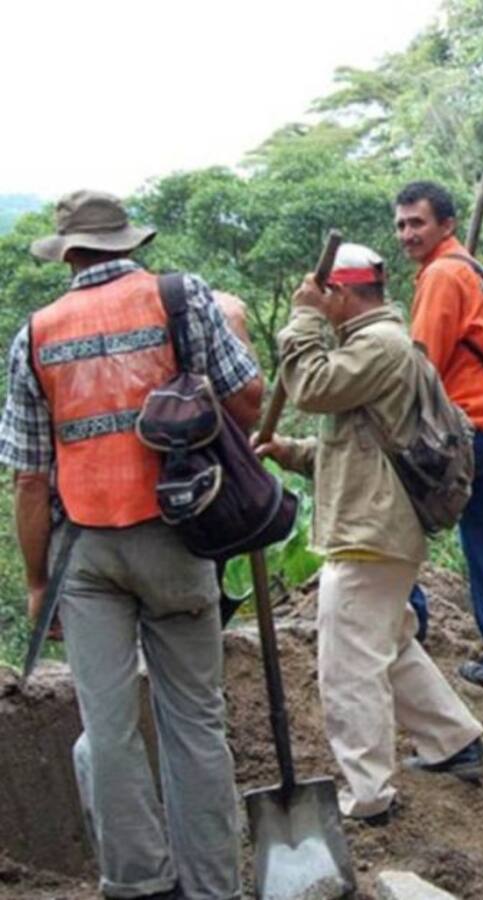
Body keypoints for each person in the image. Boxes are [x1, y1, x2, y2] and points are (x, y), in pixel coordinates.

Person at [0, 190, 262, 899]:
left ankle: (139, 883)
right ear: (127, 244)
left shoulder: (36, 333)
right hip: (178, 537)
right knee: (196, 725)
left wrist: (35, 584)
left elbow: (28, 478)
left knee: (109, 729)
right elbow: (250, 400)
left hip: (83, 555)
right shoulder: (181, 298)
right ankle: (214, 887)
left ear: (70, 255)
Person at [255, 242, 483, 824]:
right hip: (377, 521)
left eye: (321, 295)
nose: (314, 302)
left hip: (371, 530)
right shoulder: (377, 346)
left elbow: (310, 385)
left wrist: (303, 318)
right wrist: (294, 452)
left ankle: (367, 795)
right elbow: (361, 443)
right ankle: (454, 741)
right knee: (389, 644)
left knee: (349, 665)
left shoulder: (379, 345)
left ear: (341, 293)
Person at [394, 181, 483, 696]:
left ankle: (408, 630)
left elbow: (420, 364)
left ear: (446, 225)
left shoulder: (441, 275)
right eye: (402, 224)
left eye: (418, 223)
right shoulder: (472, 270)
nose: (407, 233)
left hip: (469, 431)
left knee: (392, 512)